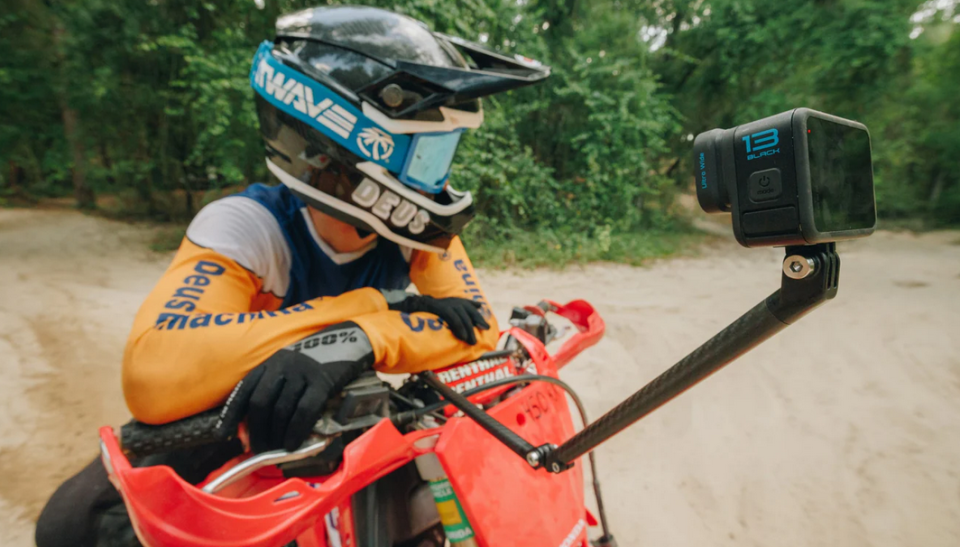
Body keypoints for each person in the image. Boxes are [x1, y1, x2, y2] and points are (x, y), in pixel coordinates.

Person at [35, 5, 549, 547]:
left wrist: (365, 338)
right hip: (247, 427)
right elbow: (153, 371)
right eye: (426, 156)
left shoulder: (412, 234)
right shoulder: (246, 226)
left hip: (349, 430)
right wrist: (366, 311)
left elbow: (476, 330)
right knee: (70, 525)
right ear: (349, 147)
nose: (437, 180)